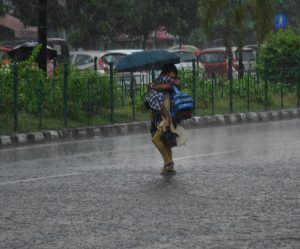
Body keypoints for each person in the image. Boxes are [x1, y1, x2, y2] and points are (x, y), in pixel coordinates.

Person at [146, 63, 180, 175]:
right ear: (168, 71)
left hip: (166, 117)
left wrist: (153, 86)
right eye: (173, 72)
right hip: (163, 116)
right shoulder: (164, 80)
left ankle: (168, 162)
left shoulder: (171, 81)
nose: (174, 75)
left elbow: (168, 86)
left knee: (156, 139)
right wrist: (152, 87)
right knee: (166, 142)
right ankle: (169, 167)